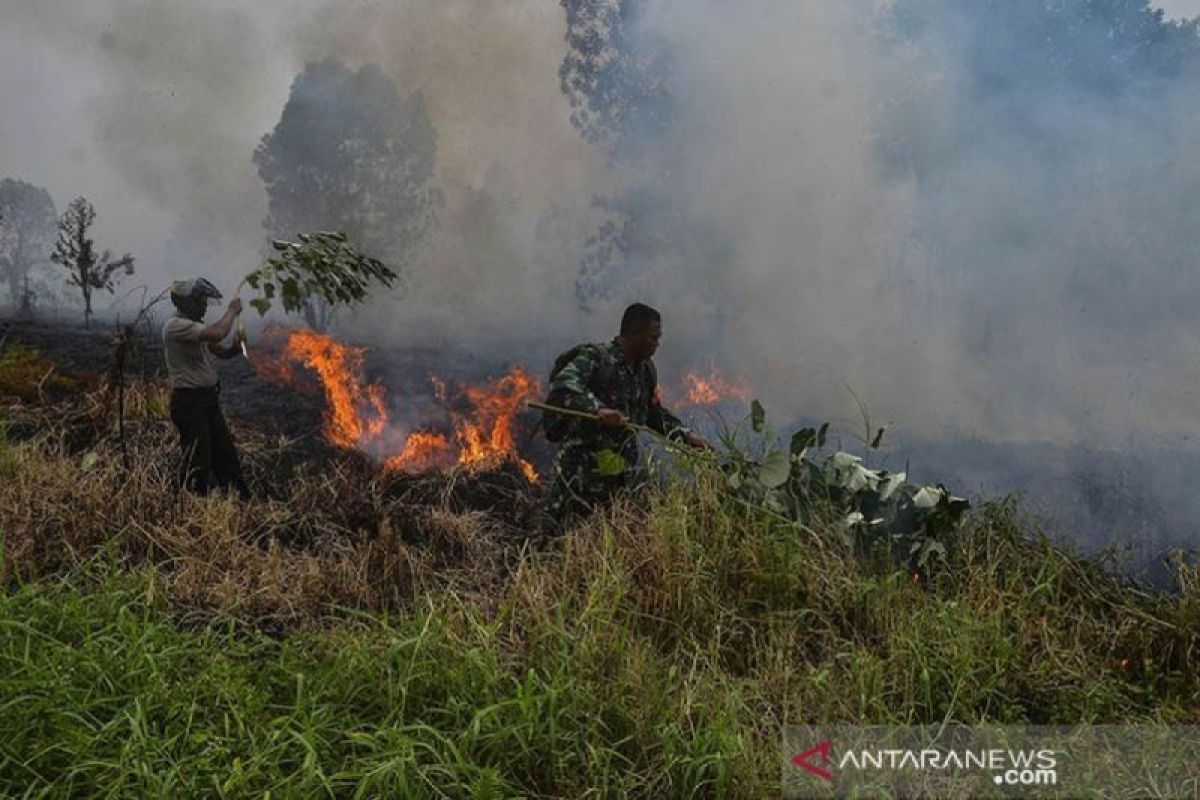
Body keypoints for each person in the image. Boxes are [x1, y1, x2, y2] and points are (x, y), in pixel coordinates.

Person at [542, 302, 709, 528]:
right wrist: (598, 409)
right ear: (633, 333)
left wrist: (684, 435)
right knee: (560, 543)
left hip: (618, 481)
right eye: (653, 338)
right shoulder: (595, 358)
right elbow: (564, 386)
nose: (657, 344)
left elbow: (652, 412)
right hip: (578, 479)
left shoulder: (645, 370)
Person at [162, 278, 250, 499]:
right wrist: (232, 310)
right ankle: (190, 505)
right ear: (186, 303)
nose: (204, 306)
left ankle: (240, 502)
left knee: (226, 456)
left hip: (208, 401)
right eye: (200, 301)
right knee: (198, 460)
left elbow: (219, 350)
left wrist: (236, 348)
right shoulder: (176, 326)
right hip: (189, 403)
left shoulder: (195, 326)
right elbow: (218, 333)